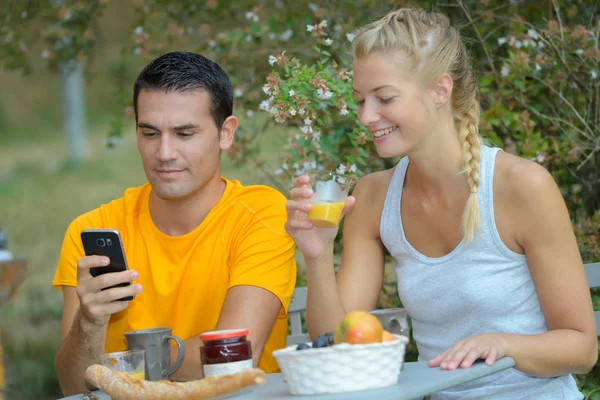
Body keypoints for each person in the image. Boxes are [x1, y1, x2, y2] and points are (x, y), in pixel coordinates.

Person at [285, 8, 597, 399]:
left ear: (440, 90)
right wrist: (317, 253)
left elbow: (582, 349)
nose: (366, 116)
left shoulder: (522, 187)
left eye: (384, 98)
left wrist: (504, 344)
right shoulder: (372, 197)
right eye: (360, 99)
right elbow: (335, 344)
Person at [53, 51, 296, 396]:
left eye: (184, 134)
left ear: (226, 133)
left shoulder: (261, 213)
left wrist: (127, 364)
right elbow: (74, 386)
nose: (164, 153)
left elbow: (232, 357)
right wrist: (89, 325)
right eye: (150, 134)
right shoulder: (93, 228)